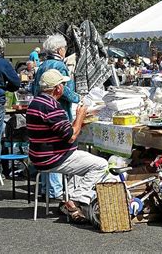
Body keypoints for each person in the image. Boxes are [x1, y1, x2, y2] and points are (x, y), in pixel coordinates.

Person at [27, 69, 108, 222]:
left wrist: (79, 122)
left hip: (39, 156)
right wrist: (80, 116)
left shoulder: (36, 102)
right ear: (58, 88)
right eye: (63, 84)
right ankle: (75, 200)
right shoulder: (51, 106)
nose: (64, 87)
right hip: (53, 158)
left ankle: (69, 199)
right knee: (101, 165)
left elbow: (62, 131)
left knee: (84, 163)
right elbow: (71, 137)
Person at [31, 34, 80, 200]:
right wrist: (77, 98)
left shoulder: (43, 64)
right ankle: (55, 191)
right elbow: (63, 90)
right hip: (56, 110)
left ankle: (47, 189)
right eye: (64, 48)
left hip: (40, 108)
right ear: (60, 49)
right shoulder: (58, 65)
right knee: (56, 147)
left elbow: (34, 87)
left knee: (45, 144)